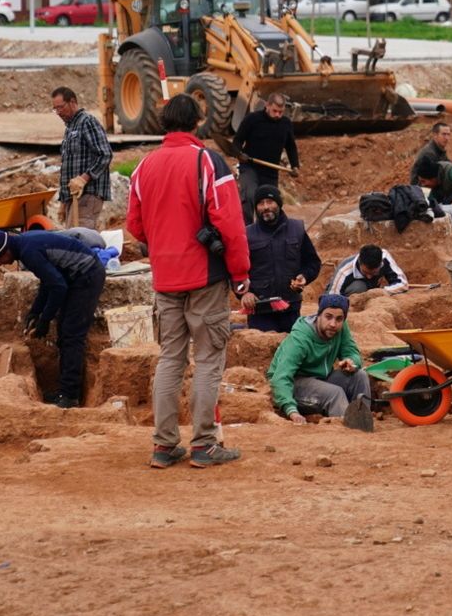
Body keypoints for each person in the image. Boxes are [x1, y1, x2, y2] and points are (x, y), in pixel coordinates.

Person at [125, 94, 251, 469]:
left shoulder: (143, 166)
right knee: (209, 358)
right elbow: (230, 223)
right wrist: (241, 276)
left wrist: (164, 240)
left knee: (170, 359)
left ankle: (163, 445)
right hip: (205, 276)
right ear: (197, 123)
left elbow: (135, 226)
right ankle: (204, 444)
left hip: (165, 278)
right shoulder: (207, 161)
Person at [0, 228, 106, 409]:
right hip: (77, 275)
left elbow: (58, 287)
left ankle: (70, 396)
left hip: (87, 275)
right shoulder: (24, 244)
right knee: (64, 331)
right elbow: (48, 283)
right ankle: (65, 391)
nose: (1, 263)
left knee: (72, 334)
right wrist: (35, 312)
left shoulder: (28, 252)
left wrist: (45, 320)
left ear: (4, 251)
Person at [266, 293, 374, 428]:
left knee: (360, 376)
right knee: (335, 393)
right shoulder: (300, 339)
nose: (333, 324)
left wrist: (351, 362)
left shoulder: (341, 328)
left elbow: (352, 352)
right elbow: (280, 377)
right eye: (328, 317)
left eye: (339, 319)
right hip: (295, 383)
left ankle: (364, 421)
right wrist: (291, 410)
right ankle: (349, 433)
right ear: (319, 316)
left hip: (322, 379)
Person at [242, 184, 322, 332]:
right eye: (261, 203)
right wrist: (244, 293)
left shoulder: (296, 229)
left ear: (279, 204)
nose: (266, 207)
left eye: (270, 202)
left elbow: (313, 263)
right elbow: (237, 271)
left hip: (290, 307)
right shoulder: (247, 235)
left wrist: (304, 277)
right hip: (260, 310)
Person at [234, 92, 300, 225]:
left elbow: (291, 147)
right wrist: (239, 154)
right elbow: (237, 141)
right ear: (267, 106)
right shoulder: (252, 119)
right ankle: (247, 231)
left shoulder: (285, 124)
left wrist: (295, 166)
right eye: (275, 111)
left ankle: (267, 232)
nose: (278, 115)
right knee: (250, 196)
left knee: (270, 205)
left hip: (270, 172)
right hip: (250, 167)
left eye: (281, 112)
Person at [52, 86, 112, 230]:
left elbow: (105, 154)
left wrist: (84, 178)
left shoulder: (87, 122)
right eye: (55, 109)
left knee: (80, 239)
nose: (59, 112)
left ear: (72, 102)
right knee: (72, 238)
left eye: (61, 107)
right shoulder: (70, 128)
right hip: (73, 198)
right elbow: (69, 167)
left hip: (88, 194)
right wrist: (63, 202)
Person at [328, 244, 409, 297]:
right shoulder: (344, 271)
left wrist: (382, 291)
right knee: (359, 287)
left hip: (373, 295)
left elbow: (403, 283)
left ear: (381, 263)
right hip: (349, 299)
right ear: (360, 262)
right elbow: (331, 297)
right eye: (365, 273)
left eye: (374, 273)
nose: (369, 277)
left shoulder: (384, 258)